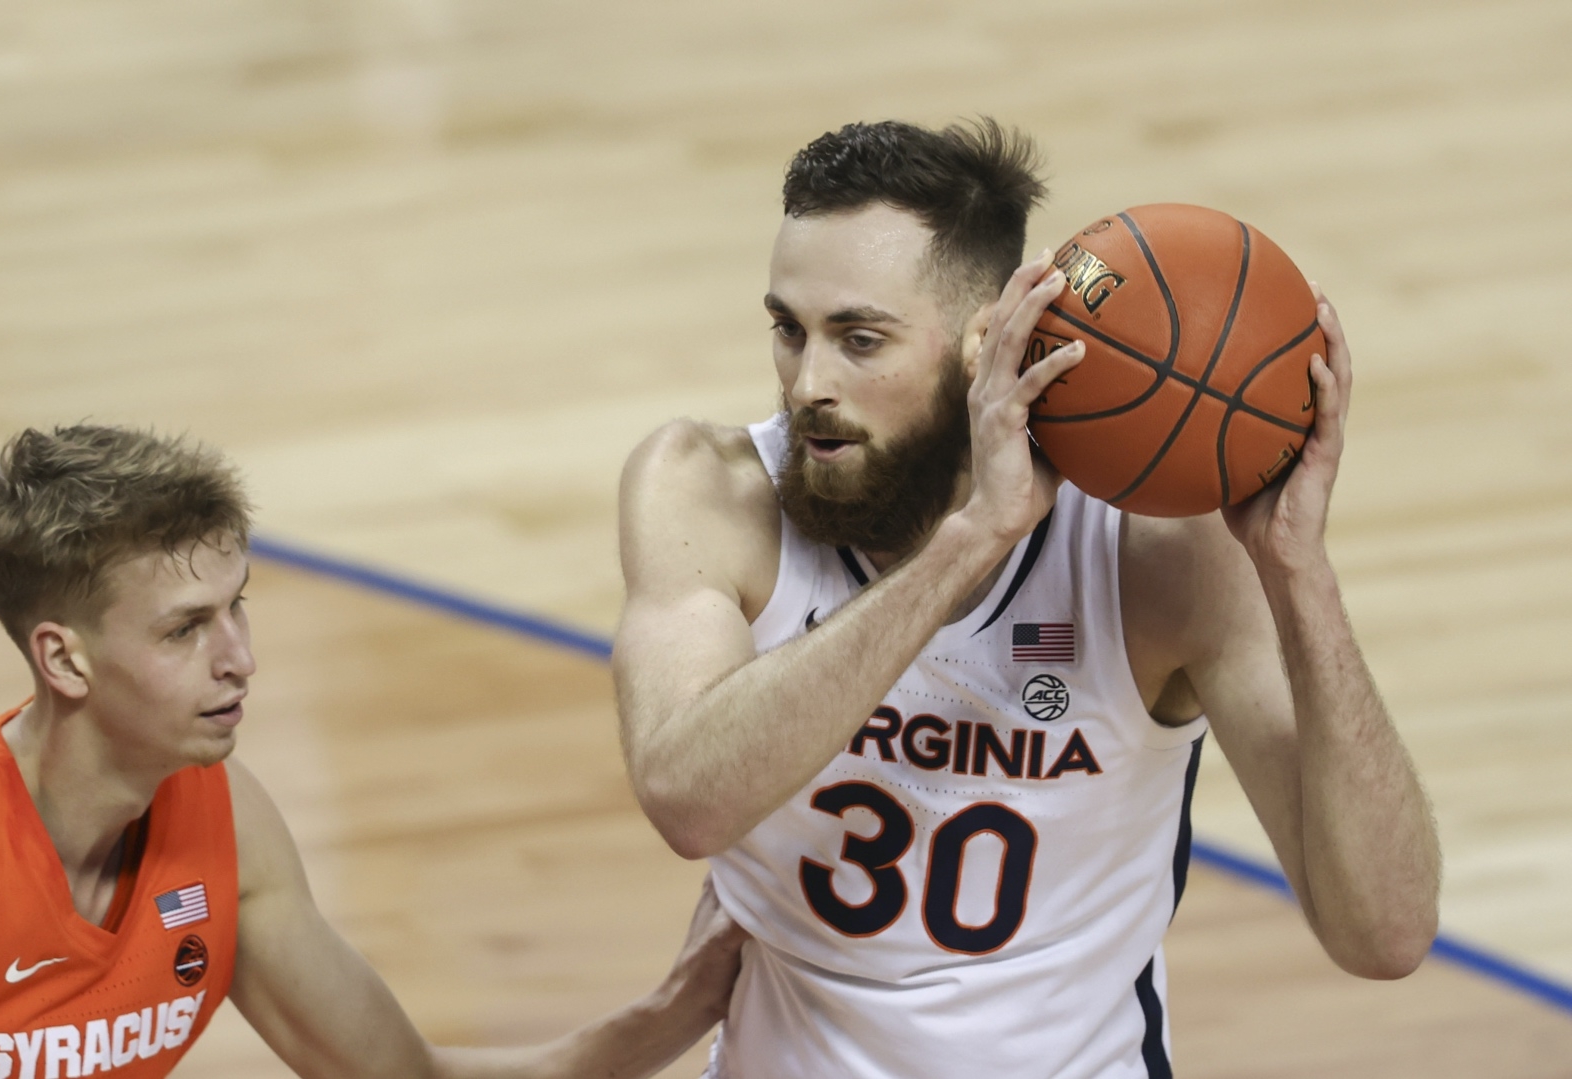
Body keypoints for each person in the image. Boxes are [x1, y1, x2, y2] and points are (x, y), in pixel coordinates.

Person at [612, 118, 1440, 1078]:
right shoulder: (706, 491)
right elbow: (687, 800)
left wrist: (1300, 576)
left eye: (860, 340)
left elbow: (1385, 933)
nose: (808, 383)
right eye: (789, 331)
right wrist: (971, 543)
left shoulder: (1156, 553)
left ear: (983, 346)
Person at [0, 425, 744, 1079]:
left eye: (237, 607)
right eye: (185, 629)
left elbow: (395, 1075)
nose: (241, 659)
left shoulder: (223, 819)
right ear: (66, 656)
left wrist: (666, 1019)